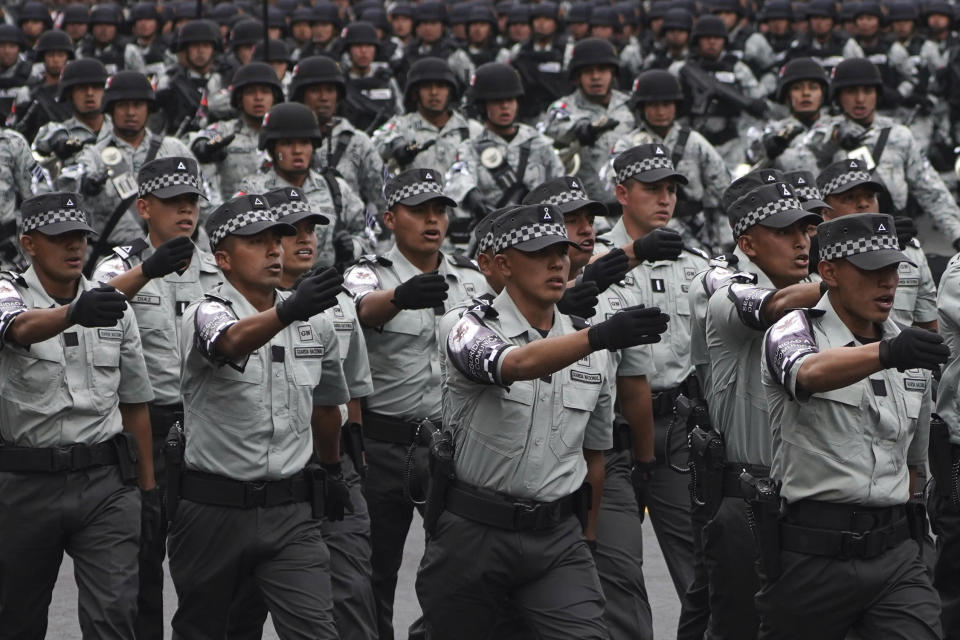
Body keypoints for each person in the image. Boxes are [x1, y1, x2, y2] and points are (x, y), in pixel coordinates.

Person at [416, 202, 669, 639]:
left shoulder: (591, 346)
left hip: (556, 539)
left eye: (562, 250)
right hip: (473, 533)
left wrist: (587, 538)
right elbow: (513, 364)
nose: (557, 262)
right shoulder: (464, 325)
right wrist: (597, 336)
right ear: (501, 265)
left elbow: (595, 456)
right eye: (538, 253)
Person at [168, 193, 350, 639]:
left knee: (317, 630)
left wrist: (332, 471)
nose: (274, 249)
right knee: (207, 630)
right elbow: (227, 342)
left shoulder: (315, 319)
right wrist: (288, 310)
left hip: (291, 510)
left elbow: (327, 405)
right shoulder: (204, 311)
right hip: (214, 508)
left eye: (277, 239)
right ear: (224, 258)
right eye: (257, 242)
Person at [759, 212, 946, 639]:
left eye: (893, 269)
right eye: (871, 270)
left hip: (896, 553)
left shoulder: (905, 341)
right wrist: (886, 353)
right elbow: (807, 372)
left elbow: (912, 462)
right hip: (813, 553)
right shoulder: (794, 329)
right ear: (829, 271)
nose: (888, 282)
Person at [225, 186, 380, 640]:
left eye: (311, 229)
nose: (304, 239)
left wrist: (347, 465)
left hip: (330, 463)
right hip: (257, 469)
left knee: (350, 589)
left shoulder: (341, 305)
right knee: (240, 604)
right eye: (291, 231)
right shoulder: (227, 307)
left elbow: (347, 395)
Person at [342, 168, 489, 640]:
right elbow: (361, 310)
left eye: (439, 210)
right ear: (390, 217)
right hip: (385, 444)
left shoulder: (469, 277)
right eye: (419, 210)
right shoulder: (368, 273)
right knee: (373, 571)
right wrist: (401, 297)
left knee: (460, 567)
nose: (433, 219)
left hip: (453, 444)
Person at [0, 192, 154, 638]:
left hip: (104, 482)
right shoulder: (8, 289)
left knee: (115, 613)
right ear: (29, 243)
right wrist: (71, 314)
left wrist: (148, 492)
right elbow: (17, 328)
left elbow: (135, 402)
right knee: (17, 618)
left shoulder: (109, 303)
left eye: (80, 238)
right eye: (60, 238)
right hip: (25, 484)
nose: (74, 247)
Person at [89, 156, 218, 640]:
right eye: (172, 203)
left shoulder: (218, 266)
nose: (185, 211)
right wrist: (147, 270)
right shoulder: (120, 265)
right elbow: (92, 306)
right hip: (148, 425)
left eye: (191, 202)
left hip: (209, 426)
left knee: (209, 561)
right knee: (142, 559)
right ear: (145, 207)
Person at [525, 176, 659, 640]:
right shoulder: (504, 303)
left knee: (620, 583)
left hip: (604, 460)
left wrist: (644, 464)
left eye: (588, 219)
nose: (583, 229)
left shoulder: (619, 296)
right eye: (569, 220)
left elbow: (634, 386)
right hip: (525, 467)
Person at [701, 181, 824, 639]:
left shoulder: (823, 306)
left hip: (813, 498)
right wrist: (841, 281)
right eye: (784, 232)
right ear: (747, 243)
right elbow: (767, 305)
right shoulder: (729, 296)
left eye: (806, 230)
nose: (801, 242)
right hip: (749, 496)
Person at [593, 143, 706, 627]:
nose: (665, 199)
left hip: (675, 427)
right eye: (651, 189)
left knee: (700, 567)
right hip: (612, 433)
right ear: (622, 192)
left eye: (671, 190)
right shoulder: (592, 257)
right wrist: (632, 253)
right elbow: (571, 286)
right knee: (618, 574)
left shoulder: (692, 261)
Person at [797, 57, 960, 251]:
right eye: (851, 91)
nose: (860, 99)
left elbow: (931, 191)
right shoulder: (823, 132)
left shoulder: (899, 135)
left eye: (867, 91)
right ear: (838, 96)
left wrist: (957, 234)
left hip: (896, 235)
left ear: (877, 94)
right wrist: (836, 137)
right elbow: (811, 147)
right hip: (842, 242)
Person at [58, 71, 212, 248]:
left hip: (171, 255)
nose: (131, 112)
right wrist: (86, 184)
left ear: (148, 109)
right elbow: (69, 189)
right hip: (114, 258)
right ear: (111, 109)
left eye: (138, 105)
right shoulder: (93, 154)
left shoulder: (174, 149)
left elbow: (205, 199)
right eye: (123, 105)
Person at [239, 102, 369, 271]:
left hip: (331, 285)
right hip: (276, 288)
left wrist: (353, 247)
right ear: (272, 149)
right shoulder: (253, 191)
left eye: (304, 142)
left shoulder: (336, 188)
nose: (297, 150)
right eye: (287, 143)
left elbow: (370, 232)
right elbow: (237, 242)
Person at [612, 70, 731, 253]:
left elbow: (724, 187)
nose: (660, 111)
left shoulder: (695, 141)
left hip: (695, 236)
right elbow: (613, 188)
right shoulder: (627, 145)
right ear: (641, 107)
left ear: (676, 106)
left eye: (666, 104)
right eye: (653, 105)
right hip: (643, 236)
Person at [815, 159, 937, 330]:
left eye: (870, 196)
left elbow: (928, 326)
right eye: (849, 197)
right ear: (826, 213)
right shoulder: (812, 256)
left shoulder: (910, 251)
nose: (863, 203)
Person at [446, 62, 563, 224]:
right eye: (496, 101)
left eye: (510, 99)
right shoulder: (470, 148)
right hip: (491, 230)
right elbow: (459, 177)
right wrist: (471, 194)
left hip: (538, 230)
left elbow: (562, 186)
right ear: (482, 105)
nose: (505, 106)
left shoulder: (539, 143)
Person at [289, 55, 386, 215]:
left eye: (330, 90)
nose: (324, 97)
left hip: (347, 232)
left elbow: (384, 199)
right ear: (300, 95)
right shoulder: (282, 140)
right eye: (315, 90)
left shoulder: (358, 142)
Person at [541, 38, 635, 202]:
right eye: (588, 71)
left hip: (630, 209)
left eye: (603, 70)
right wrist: (583, 130)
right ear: (577, 77)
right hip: (586, 212)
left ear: (613, 74)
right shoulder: (562, 108)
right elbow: (556, 127)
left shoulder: (631, 106)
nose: (596, 77)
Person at [670, 15, 768, 172]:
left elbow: (756, 101)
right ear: (697, 41)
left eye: (717, 38)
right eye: (707, 38)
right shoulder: (680, 69)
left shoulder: (737, 69)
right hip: (690, 138)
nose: (712, 42)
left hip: (729, 141)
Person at [191, 62, 284, 201]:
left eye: (265, 91)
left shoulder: (285, 134)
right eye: (250, 92)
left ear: (274, 97)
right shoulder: (225, 130)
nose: (258, 97)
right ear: (239, 99)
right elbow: (202, 139)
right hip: (235, 214)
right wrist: (205, 148)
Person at [373, 57, 480, 178]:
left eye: (440, 86)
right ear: (415, 93)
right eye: (426, 86)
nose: (434, 92)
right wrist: (401, 151)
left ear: (450, 92)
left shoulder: (471, 129)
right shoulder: (399, 125)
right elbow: (371, 151)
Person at [749, 57, 828, 172]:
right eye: (797, 88)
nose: (806, 93)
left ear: (823, 95)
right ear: (786, 96)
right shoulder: (772, 133)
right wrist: (769, 156)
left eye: (813, 88)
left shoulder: (838, 129)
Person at [33, 58, 113, 170]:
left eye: (96, 87)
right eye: (82, 88)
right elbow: (42, 142)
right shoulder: (59, 132)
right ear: (70, 94)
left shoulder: (120, 131)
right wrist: (63, 144)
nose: (90, 93)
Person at [156, 19, 228, 135]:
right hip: (178, 142)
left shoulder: (224, 80)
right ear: (185, 50)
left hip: (217, 140)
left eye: (206, 45)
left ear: (214, 49)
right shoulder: (169, 83)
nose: (200, 51)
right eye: (195, 46)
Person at [339, 21, 404, 134]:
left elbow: (400, 116)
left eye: (369, 46)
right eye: (358, 46)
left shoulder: (387, 80)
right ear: (349, 50)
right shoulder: (340, 83)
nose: (363, 51)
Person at [12, 29, 74, 143]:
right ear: (43, 57)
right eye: (50, 55)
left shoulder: (74, 92)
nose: (55, 60)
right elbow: (17, 129)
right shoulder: (29, 93)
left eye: (60, 55)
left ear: (67, 57)